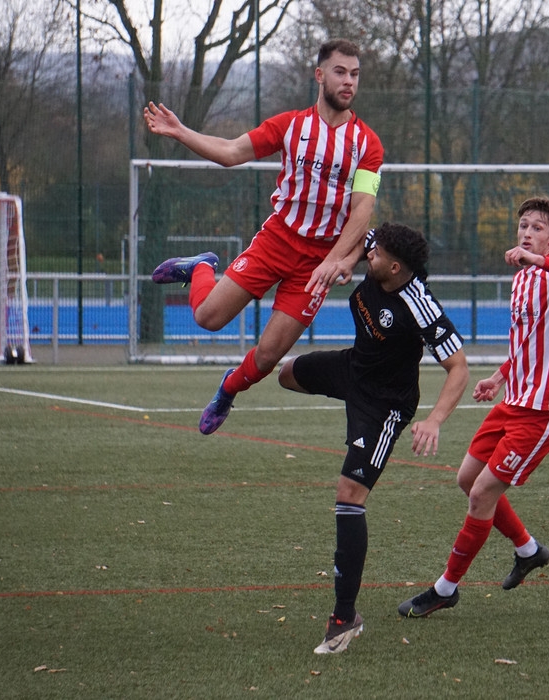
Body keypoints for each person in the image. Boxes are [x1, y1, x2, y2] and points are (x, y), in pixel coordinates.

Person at [143, 38, 384, 435]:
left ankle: (228, 389)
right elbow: (230, 152)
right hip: (277, 241)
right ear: (319, 75)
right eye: (340, 72)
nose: (349, 82)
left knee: (269, 356)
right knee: (207, 317)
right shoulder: (291, 126)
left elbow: (362, 210)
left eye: (355, 74)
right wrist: (181, 132)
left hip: (317, 262)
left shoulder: (367, 143)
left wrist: (334, 261)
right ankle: (201, 267)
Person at [396, 196, 549, 619]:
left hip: (543, 411)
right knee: (467, 479)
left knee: (482, 494)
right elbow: (527, 341)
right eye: (524, 225)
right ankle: (528, 550)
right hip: (513, 402)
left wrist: (540, 260)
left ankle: (445, 589)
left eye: (538, 228)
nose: (527, 232)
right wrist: (499, 376)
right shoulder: (521, 278)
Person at [278, 222, 469, 654]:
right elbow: (356, 235)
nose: (369, 255)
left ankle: (344, 618)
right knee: (286, 373)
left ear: (396, 267)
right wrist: (344, 261)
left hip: (384, 405)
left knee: (349, 495)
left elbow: (459, 368)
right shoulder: (375, 252)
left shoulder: (420, 305)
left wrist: (435, 420)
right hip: (354, 369)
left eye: (376, 255)